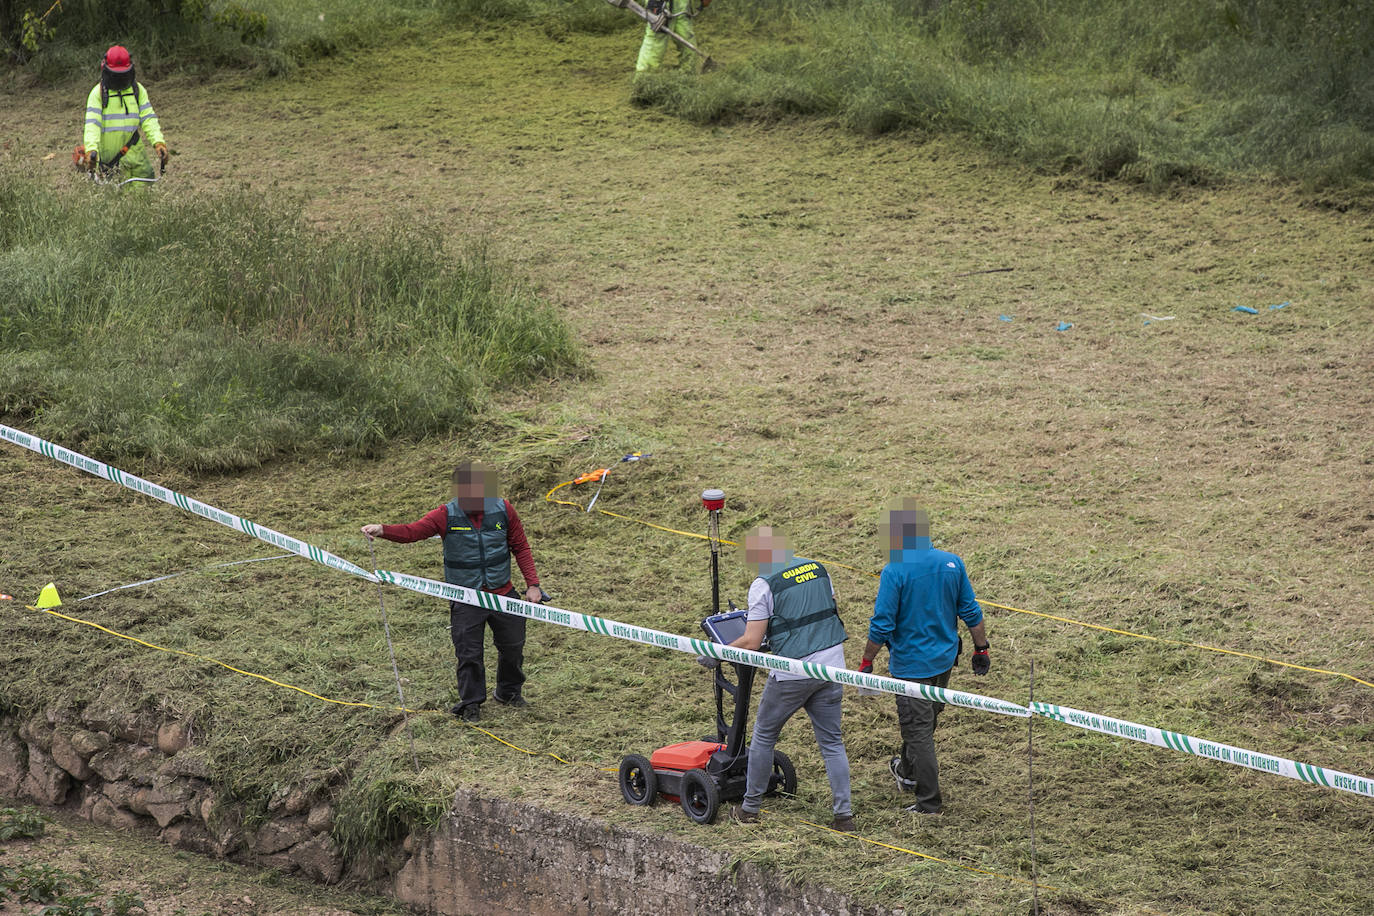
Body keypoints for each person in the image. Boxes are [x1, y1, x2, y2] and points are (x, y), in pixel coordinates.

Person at [361, 462, 543, 723]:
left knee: (513, 647)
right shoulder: (445, 514)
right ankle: (471, 703)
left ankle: (508, 692)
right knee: (469, 654)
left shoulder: (504, 509)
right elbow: (413, 532)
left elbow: (521, 547)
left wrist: (533, 584)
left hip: (504, 593)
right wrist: (383, 530)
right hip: (466, 597)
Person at [719, 526, 854, 831]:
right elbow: (827, 606)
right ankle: (844, 816)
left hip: (793, 672)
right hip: (832, 666)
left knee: (764, 735)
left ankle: (750, 809)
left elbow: (751, 642)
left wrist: (716, 652)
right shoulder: (817, 568)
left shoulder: (763, 584)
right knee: (832, 742)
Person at [860, 501, 990, 815]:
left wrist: (866, 660)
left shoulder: (894, 571)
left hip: (911, 667)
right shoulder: (952, 562)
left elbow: (882, 623)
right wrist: (981, 648)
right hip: (944, 660)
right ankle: (906, 772)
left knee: (918, 730)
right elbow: (970, 610)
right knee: (925, 721)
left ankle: (929, 802)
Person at [76, 46, 168, 180]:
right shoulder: (98, 94)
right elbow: (92, 125)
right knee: (116, 198)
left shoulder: (138, 90)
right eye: (115, 76)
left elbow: (149, 119)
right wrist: (91, 150)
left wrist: (158, 142)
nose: (119, 80)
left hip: (137, 157)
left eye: (123, 75)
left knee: (145, 194)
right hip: (110, 161)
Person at [635, 0, 700, 74]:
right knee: (656, 40)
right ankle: (645, 77)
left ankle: (689, 73)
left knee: (686, 37)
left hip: (682, 4)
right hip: (661, 3)